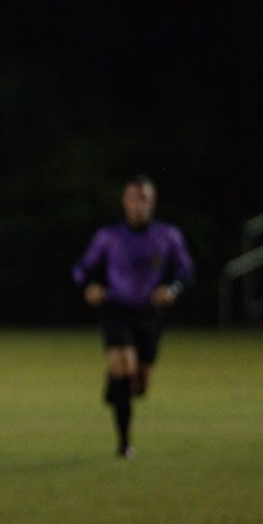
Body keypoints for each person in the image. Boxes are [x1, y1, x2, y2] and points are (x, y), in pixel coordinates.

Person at [72, 175, 195, 458]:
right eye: (134, 198)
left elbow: (186, 270)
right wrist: (89, 287)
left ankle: (115, 386)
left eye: (146, 199)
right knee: (124, 365)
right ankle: (124, 444)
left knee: (138, 385)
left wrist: (172, 289)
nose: (140, 205)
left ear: (153, 203)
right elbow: (81, 269)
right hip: (116, 308)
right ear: (125, 202)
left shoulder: (167, 235)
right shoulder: (109, 236)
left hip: (149, 313)